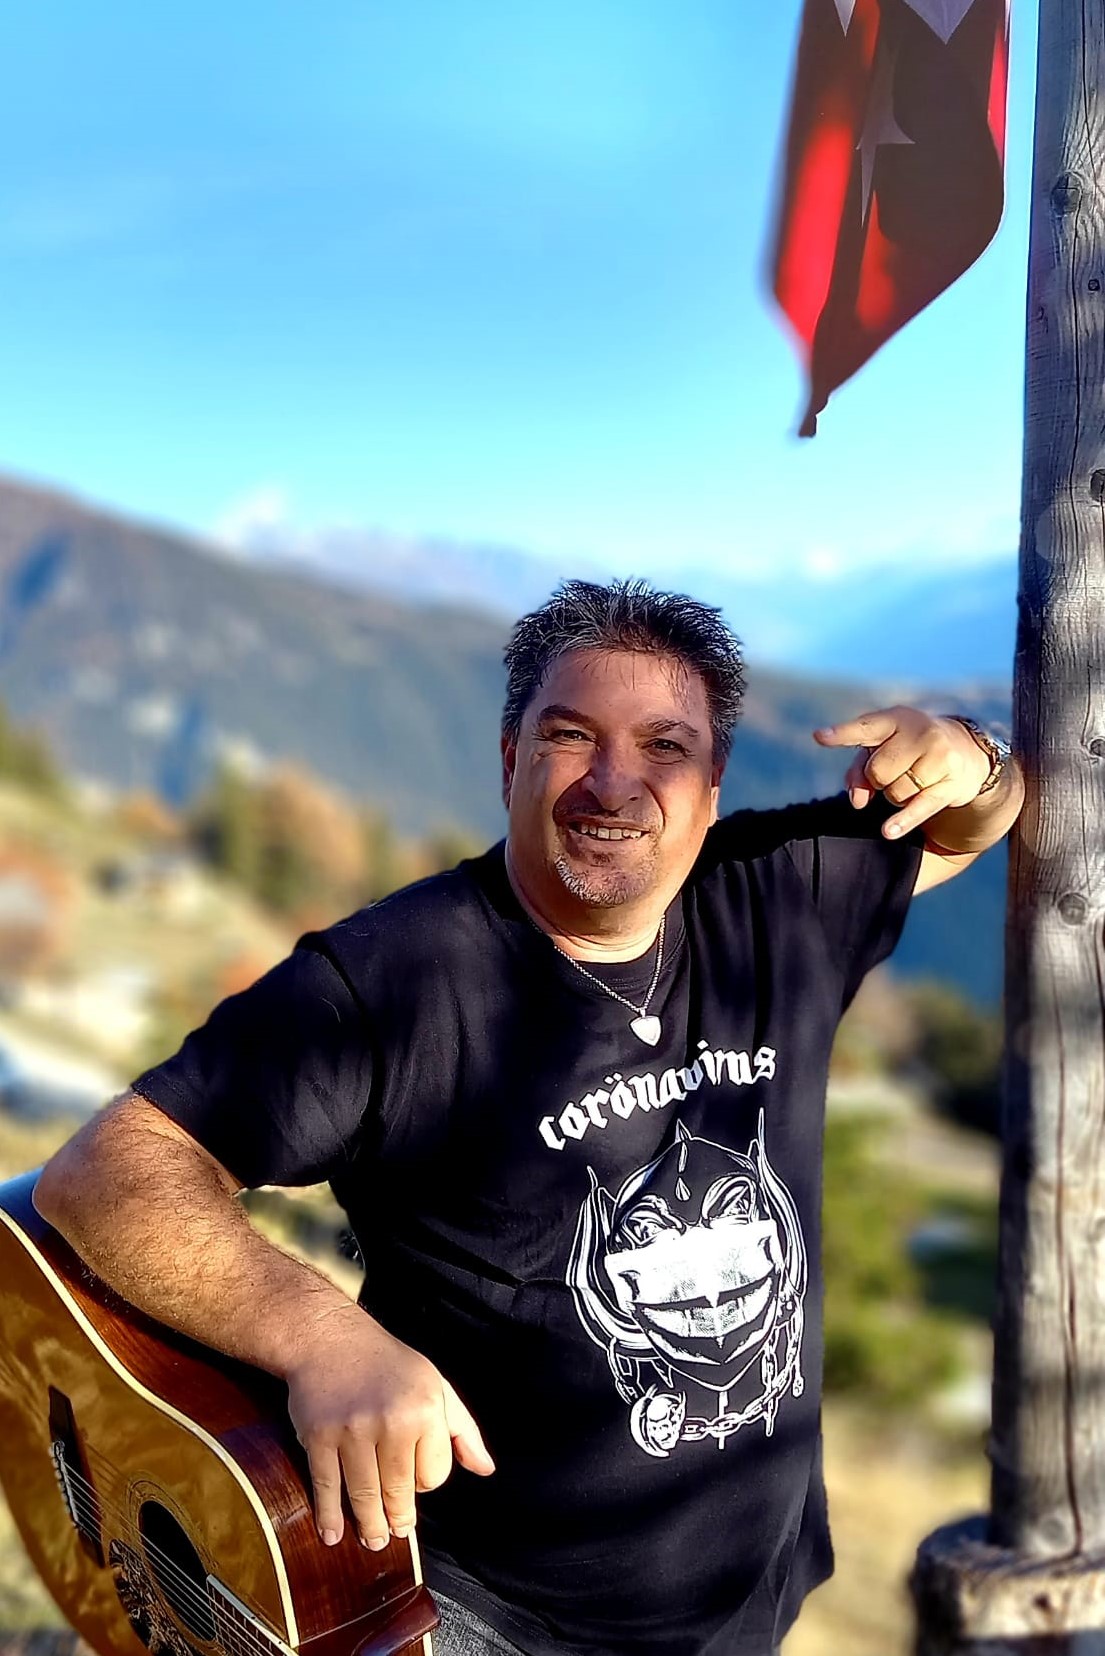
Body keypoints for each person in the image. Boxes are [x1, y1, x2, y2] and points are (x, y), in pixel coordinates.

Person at [35, 579, 1024, 1656]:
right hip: (477, 1617)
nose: (614, 782)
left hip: (746, 1607)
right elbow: (107, 1172)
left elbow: (966, 827)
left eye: (664, 747)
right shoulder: (389, 983)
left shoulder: (775, 894)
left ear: (712, 785)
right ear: (510, 758)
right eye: (569, 735)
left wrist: (973, 759)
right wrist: (323, 1339)